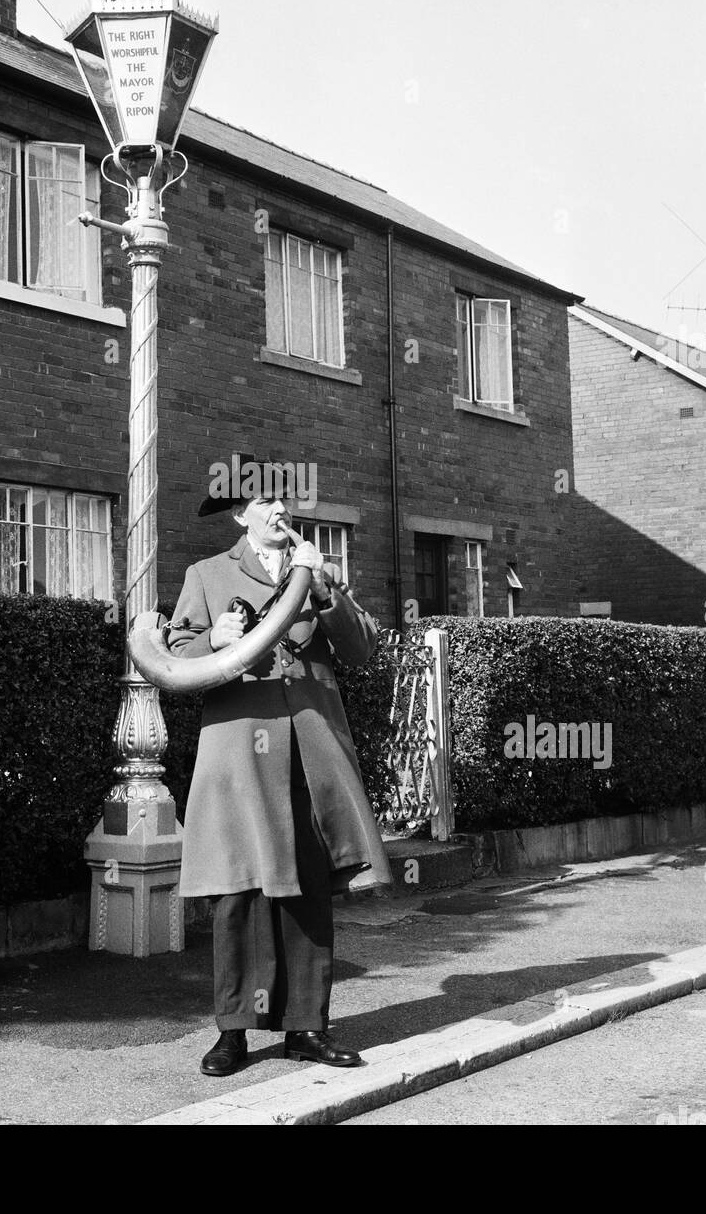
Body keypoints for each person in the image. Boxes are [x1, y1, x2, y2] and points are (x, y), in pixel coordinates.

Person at [167, 456, 393, 1077]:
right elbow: (177, 656)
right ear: (240, 514)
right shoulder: (207, 574)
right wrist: (215, 639)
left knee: (307, 890)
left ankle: (306, 1029)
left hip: (309, 751)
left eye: (282, 501)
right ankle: (233, 1032)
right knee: (238, 892)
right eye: (264, 502)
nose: (279, 510)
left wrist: (324, 588)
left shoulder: (315, 572)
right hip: (240, 753)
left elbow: (362, 649)